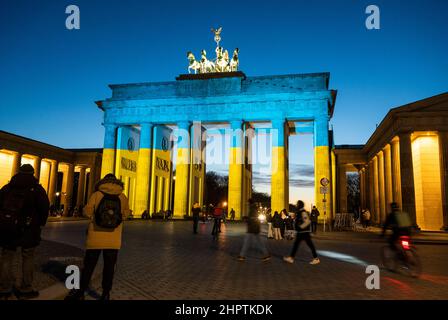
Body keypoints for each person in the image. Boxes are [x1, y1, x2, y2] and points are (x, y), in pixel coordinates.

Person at [65, 173, 130, 300]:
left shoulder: (97, 194)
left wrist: (93, 216)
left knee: (89, 266)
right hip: (113, 238)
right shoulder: (122, 196)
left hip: (95, 236)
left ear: (103, 182)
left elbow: (87, 211)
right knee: (109, 267)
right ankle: (106, 293)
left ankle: (81, 292)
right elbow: (126, 214)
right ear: (116, 182)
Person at [0, 164, 50, 300]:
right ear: (33, 173)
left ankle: (4, 288)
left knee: (6, 257)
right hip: (29, 229)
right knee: (27, 257)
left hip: (9, 228)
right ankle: (26, 289)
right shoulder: (37, 189)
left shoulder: (7, 187)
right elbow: (45, 207)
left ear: (18, 172)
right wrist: (40, 223)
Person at [283, 200, 320, 265]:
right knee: (298, 245)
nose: (296, 205)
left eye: (297, 204)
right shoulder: (300, 212)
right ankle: (291, 258)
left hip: (304, 232)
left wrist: (300, 227)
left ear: (300, 205)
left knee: (306, 245)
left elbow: (307, 221)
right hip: (302, 232)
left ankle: (315, 258)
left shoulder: (303, 212)